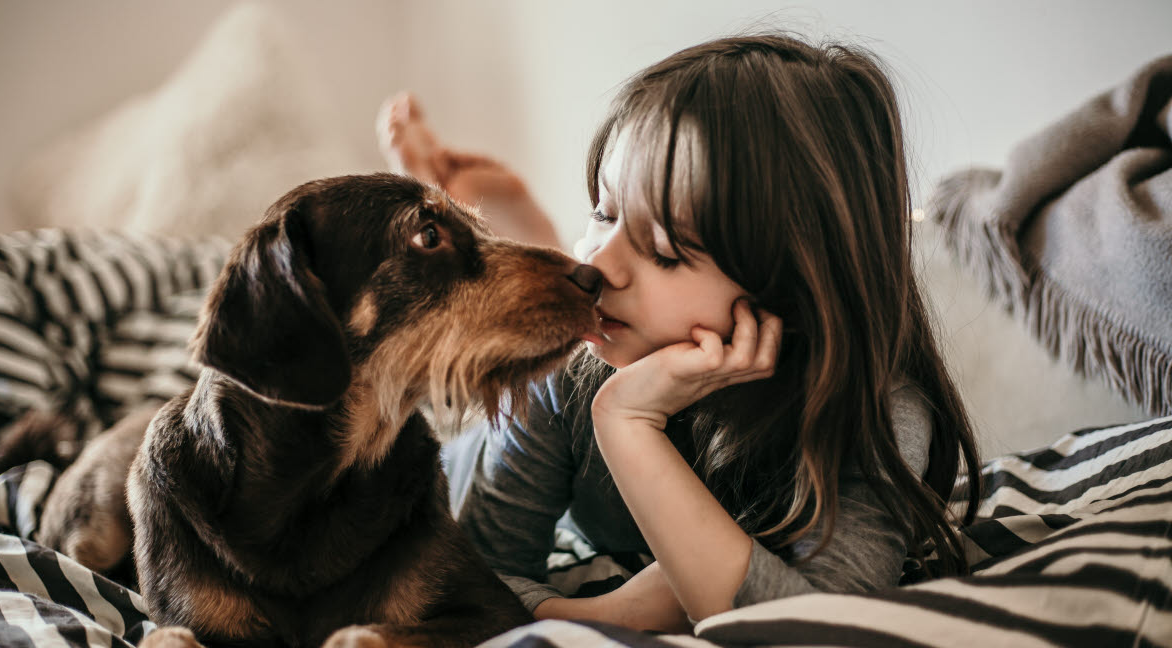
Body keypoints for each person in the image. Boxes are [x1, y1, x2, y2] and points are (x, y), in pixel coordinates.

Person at [378, 32, 982, 634]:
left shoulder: (875, 412)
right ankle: (488, 227)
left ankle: (515, 230)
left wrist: (628, 423)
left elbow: (812, 626)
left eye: (663, 251)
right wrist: (598, 615)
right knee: (477, 385)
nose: (601, 266)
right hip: (464, 451)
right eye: (603, 212)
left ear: (796, 290)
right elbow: (472, 576)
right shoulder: (570, 368)